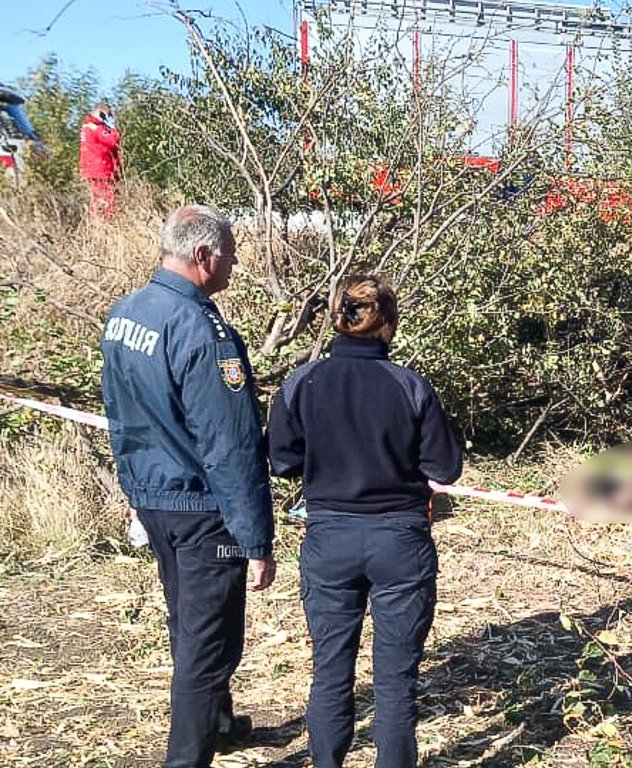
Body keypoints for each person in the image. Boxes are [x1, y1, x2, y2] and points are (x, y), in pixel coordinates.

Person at [100, 204, 275, 768]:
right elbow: (231, 444)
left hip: (155, 498)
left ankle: (219, 723)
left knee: (186, 619)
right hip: (202, 508)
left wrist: (133, 490)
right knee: (209, 643)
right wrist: (256, 538)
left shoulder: (126, 313)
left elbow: (119, 415)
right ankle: (187, 758)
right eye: (230, 254)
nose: (234, 264)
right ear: (203, 257)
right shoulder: (203, 331)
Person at [267, 276, 463, 768]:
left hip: (329, 538)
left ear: (337, 320)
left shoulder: (301, 382)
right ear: (389, 325)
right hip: (400, 540)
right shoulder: (411, 385)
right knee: (396, 680)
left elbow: (283, 460)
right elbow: (446, 468)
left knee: (330, 672)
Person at [79, 102, 121, 217]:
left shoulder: (87, 126)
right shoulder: (96, 127)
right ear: (101, 113)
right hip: (101, 170)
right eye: (107, 115)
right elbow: (113, 140)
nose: (108, 118)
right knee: (108, 200)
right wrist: (115, 127)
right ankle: (107, 225)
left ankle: (97, 226)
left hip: (94, 169)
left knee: (97, 200)